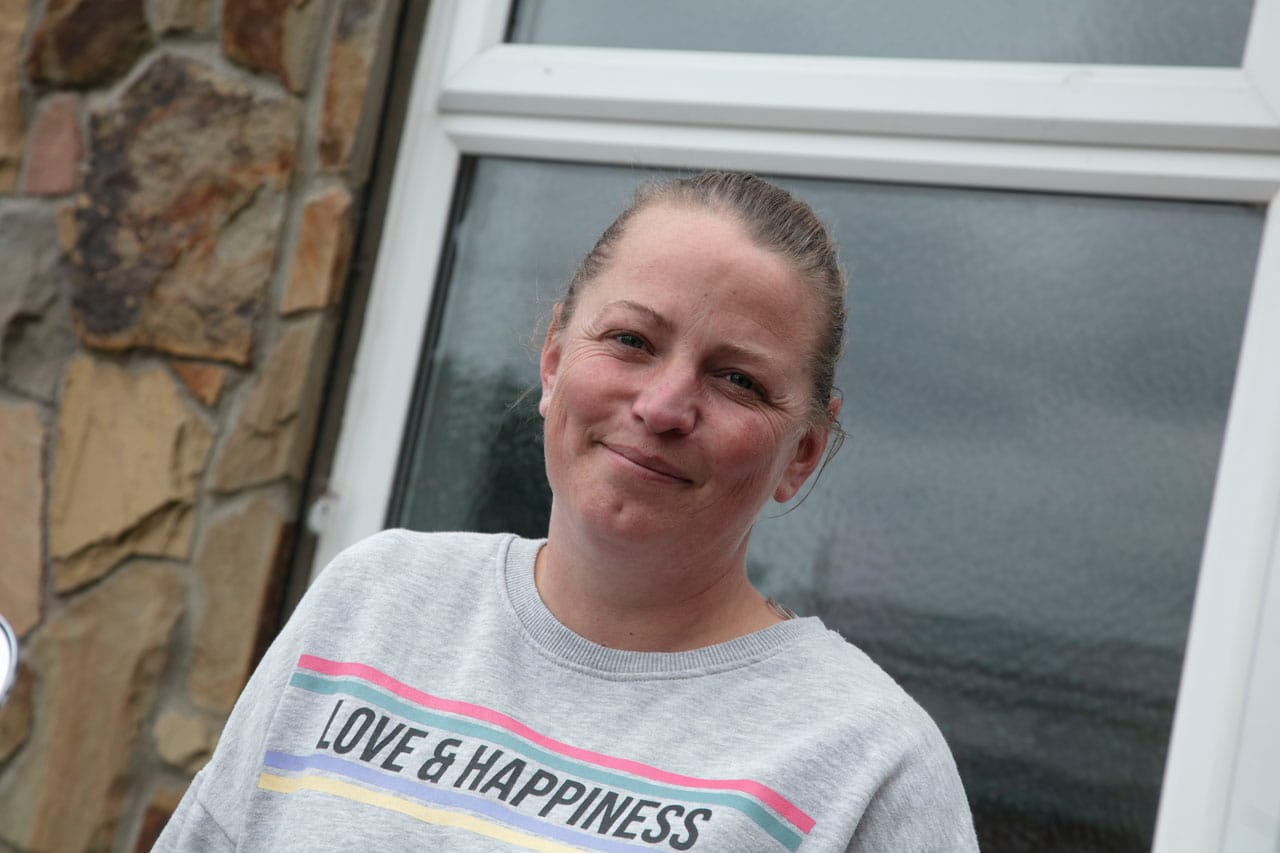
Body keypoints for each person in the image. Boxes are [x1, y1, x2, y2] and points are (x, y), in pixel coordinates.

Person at [155, 172, 978, 851]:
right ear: (553, 359)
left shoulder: (868, 763)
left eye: (739, 380)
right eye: (631, 340)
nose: (663, 405)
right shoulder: (371, 601)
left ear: (802, 453)